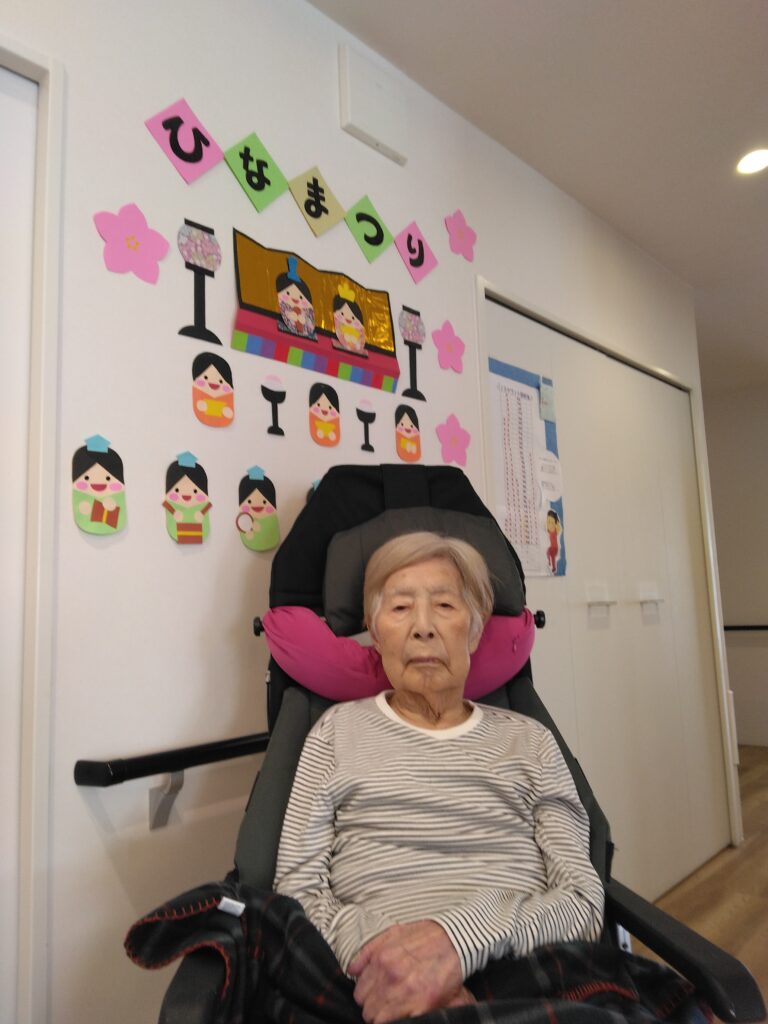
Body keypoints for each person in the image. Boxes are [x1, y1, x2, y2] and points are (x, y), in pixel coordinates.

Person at [273, 531, 604, 1022]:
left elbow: (582, 901)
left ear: (475, 628)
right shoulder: (334, 733)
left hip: (525, 973)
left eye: (445, 605)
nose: (423, 627)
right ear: (375, 632)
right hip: (368, 981)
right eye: (400, 608)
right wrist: (392, 964)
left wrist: (458, 943)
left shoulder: (530, 741)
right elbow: (297, 891)